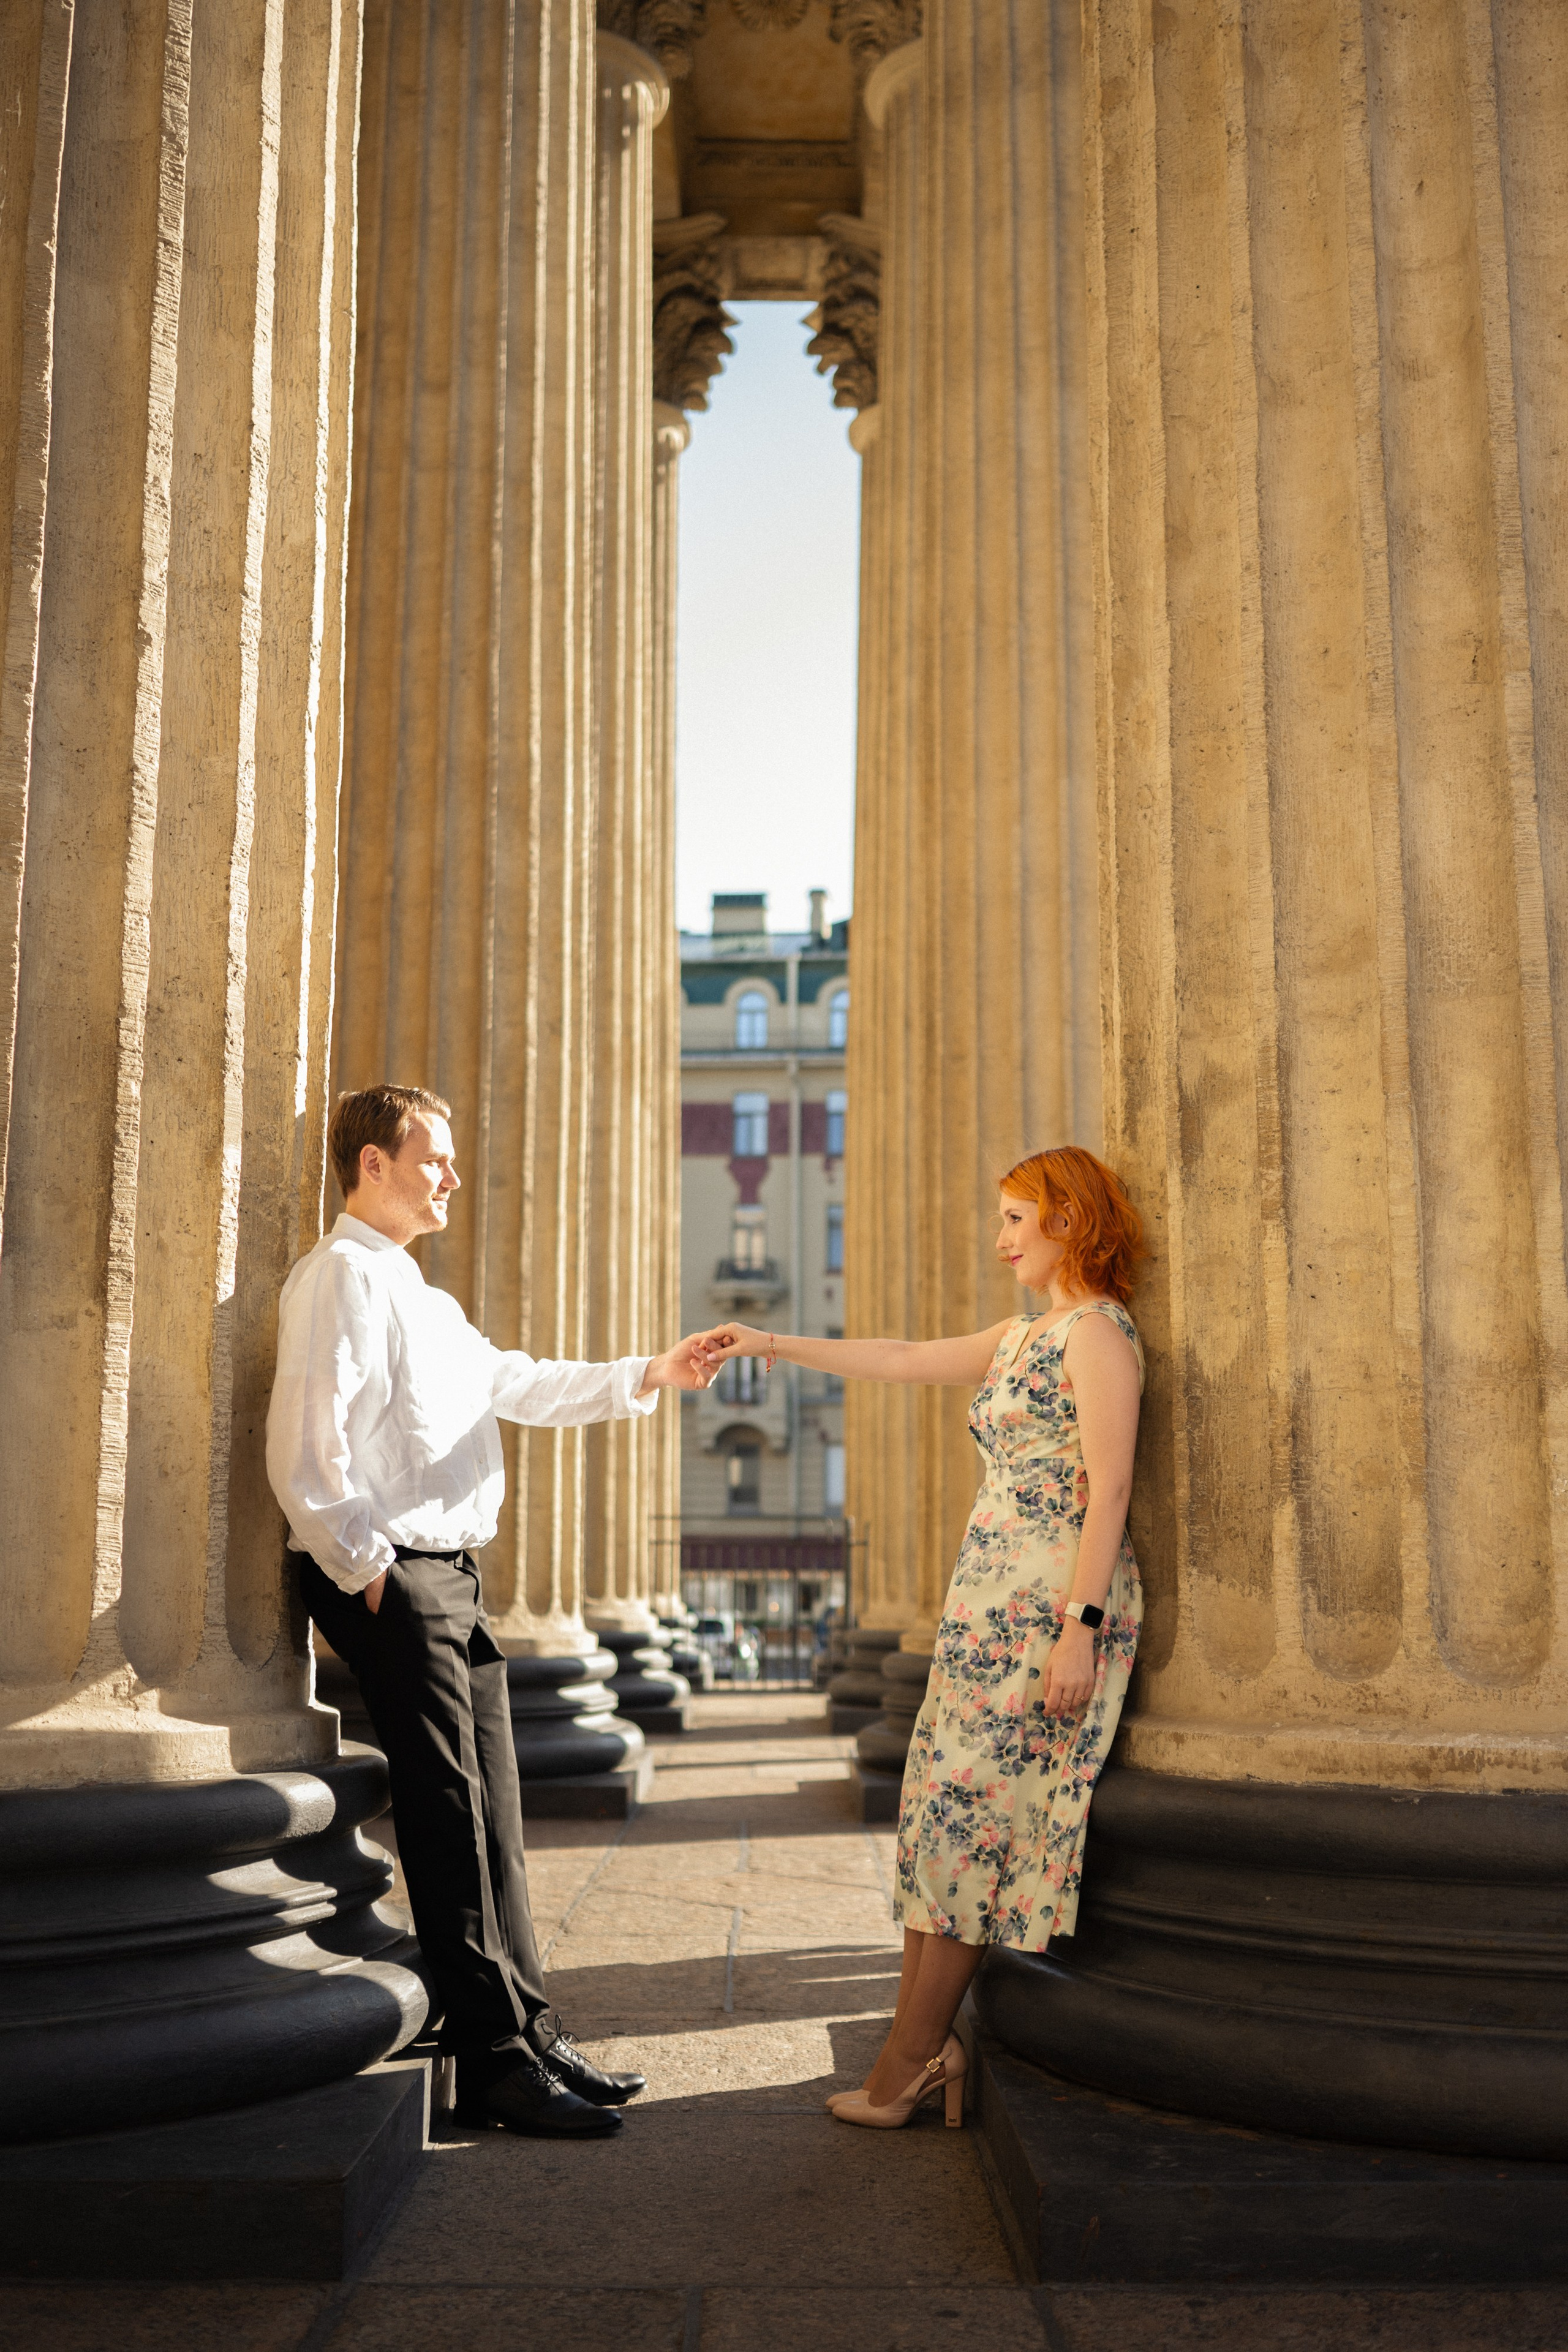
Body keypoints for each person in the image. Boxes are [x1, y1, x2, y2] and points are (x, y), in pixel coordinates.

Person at [266, 1084, 715, 2139]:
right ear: (372, 1163)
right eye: (434, 1158)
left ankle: (528, 2028)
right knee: (446, 1815)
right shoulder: (337, 1277)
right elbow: (305, 1442)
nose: (451, 1177)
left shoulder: (419, 1292)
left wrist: (648, 1371)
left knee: (493, 1812)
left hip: (447, 1575)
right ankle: (494, 2061)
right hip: (397, 1575)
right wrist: (367, 1566)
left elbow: (516, 1381)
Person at [699, 1145, 1145, 2130]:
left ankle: (908, 2063)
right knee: (937, 1822)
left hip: (1047, 1617)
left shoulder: (1099, 1337)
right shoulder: (1023, 1336)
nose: (1000, 1240)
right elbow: (897, 1359)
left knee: (975, 1829)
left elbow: (1108, 1490)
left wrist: (1081, 1632)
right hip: (986, 1606)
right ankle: (916, 2051)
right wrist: (770, 1341)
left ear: (1069, 1219)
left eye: (1015, 1220)